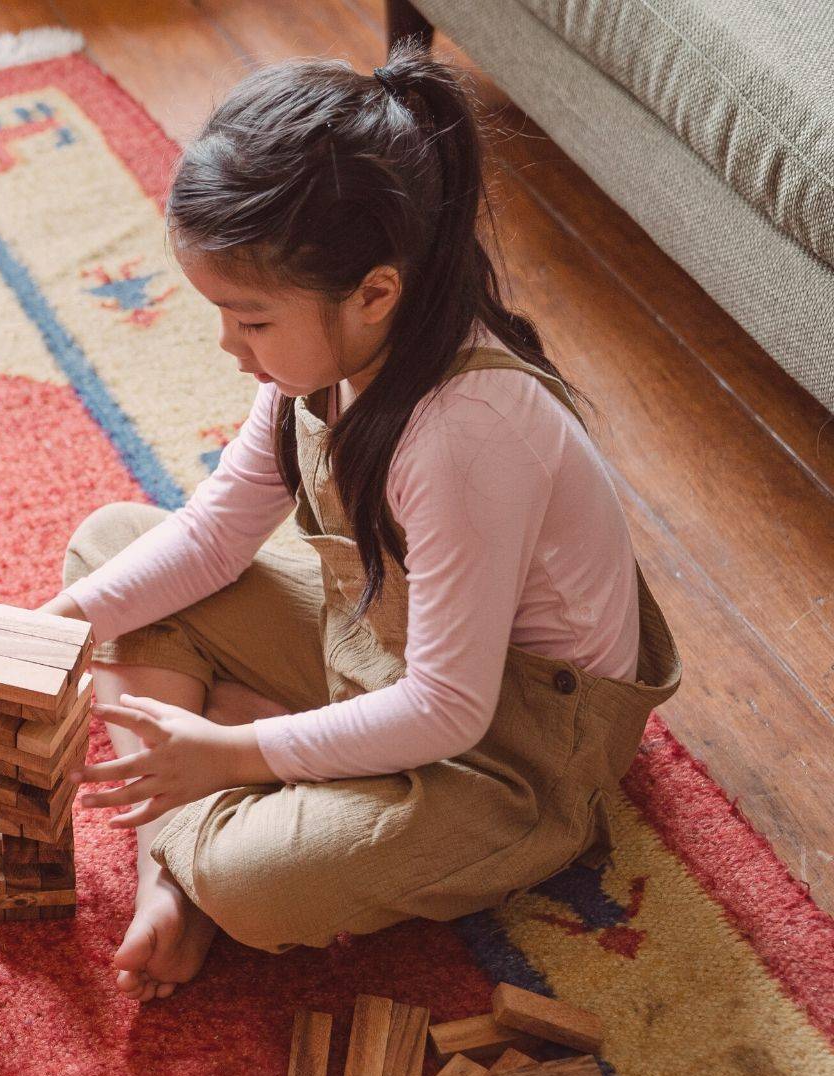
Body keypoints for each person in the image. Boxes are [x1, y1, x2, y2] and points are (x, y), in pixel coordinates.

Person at [35, 43, 681, 1001]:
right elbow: (215, 536)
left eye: (250, 321)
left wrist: (232, 752)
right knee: (111, 548)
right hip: (383, 648)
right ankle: (208, 818)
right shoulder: (324, 359)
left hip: (513, 748)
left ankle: (193, 847)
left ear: (376, 292)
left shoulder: (463, 435)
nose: (228, 346)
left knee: (253, 891)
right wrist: (53, 631)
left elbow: (449, 709)